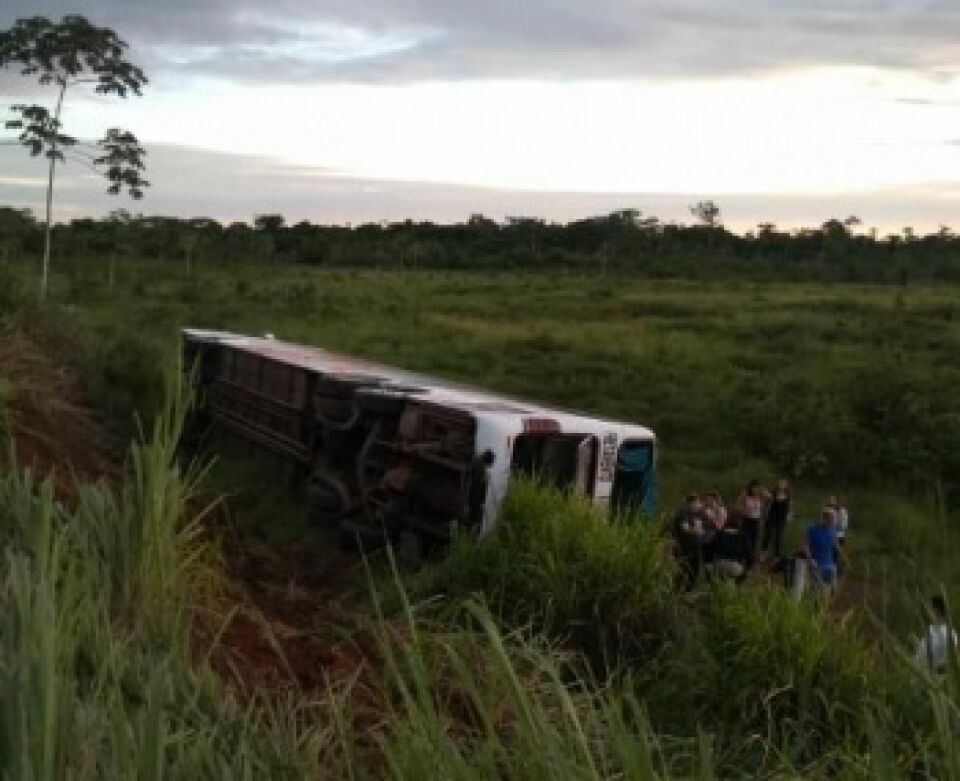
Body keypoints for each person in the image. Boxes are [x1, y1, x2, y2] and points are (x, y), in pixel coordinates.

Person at [914, 595, 958, 676]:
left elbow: (954, 660)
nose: (926, 611)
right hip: (925, 675)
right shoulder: (929, 631)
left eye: (929, 608)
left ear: (936, 611)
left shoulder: (950, 634)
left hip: (942, 678)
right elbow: (920, 656)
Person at [673, 494, 708, 590]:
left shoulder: (697, 515)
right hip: (684, 547)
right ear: (691, 503)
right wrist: (695, 531)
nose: (699, 505)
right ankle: (678, 590)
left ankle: (688, 590)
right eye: (697, 502)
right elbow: (684, 528)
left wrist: (701, 531)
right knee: (683, 569)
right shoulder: (683, 513)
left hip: (695, 546)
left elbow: (702, 528)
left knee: (695, 569)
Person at [736, 480, 769, 568]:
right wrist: (744, 510)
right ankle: (742, 559)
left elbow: (770, 498)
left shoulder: (761, 497)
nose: (756, 490)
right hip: (746, 520)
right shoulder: (745, 496)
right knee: (746, 542)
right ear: (750, 488)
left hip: (756, 521)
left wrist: (764, 491)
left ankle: (749, 563)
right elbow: (737, 506)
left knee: (754, 541)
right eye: (754, 488)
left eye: (758, 488)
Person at [709, 517, 751, 583]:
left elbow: (711, 548)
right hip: (736, 565)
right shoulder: (743, 536)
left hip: (720, 564)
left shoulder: (720, 534)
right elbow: (748, 553)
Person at [805, 507, 839, 590]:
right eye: (831, 518)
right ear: (825, 517)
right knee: (819, 588)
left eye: (834, 518)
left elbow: (835, 544)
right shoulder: (813, 529)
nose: (833, 520)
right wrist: (810, 559)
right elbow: (806, 546)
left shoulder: (833, 529)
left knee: (832, 588)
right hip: (817, 564)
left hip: (830, 564)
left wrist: (844, 557)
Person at [763, 478, 791, 559]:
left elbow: (789, 506)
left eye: (784, 483)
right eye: (781, 483)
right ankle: (764, 552)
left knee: (779, 536)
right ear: (778, 484)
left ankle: (776, 555)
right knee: (768, 533)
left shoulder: (787, 495)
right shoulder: (773, 493)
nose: (782, 485)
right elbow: (767, 502)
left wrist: (789, 515)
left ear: (786, 485)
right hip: (772, 516)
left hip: (781, 518)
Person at [467, 449, 495, 527]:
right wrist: (485, 479)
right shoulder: (480, 466)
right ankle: (472, 524)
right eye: (491, 462)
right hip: (475, 497)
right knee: (474, 515)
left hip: (474, 496)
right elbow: (478, 483)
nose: (490, 465)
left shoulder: (477, 460)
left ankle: (472, 523)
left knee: (473, 513)